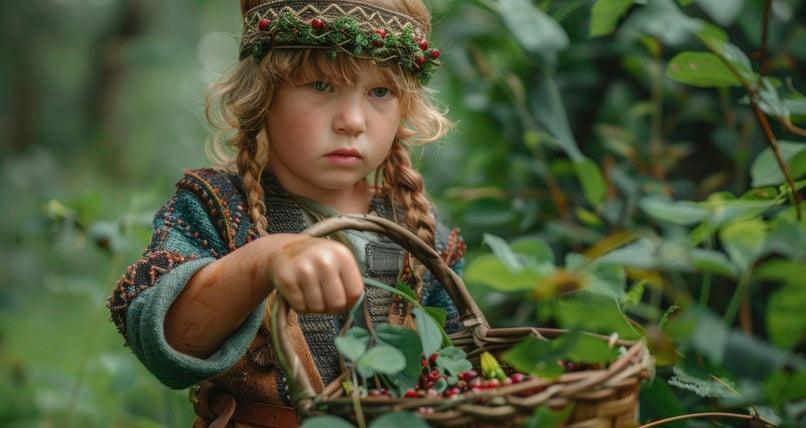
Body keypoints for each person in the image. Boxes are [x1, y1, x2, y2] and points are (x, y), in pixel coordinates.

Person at [107, 0, 466, 426]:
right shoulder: (215, 206)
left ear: (405, 109)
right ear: (262, 96)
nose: (352, 121)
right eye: (320, 85)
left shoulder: (424, 235)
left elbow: (460, 368)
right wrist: (263, 260)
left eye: (380, 92)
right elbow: (163, 342)